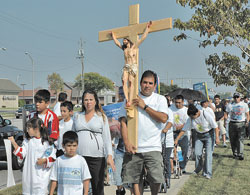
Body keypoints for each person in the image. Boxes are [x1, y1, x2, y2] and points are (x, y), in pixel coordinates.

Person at [121, 70, 168, 195]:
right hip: (134, 147)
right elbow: (123, 122)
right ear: (140, 83)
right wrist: (126, 142)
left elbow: (163, 118)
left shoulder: (160, 99)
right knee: (134, 179)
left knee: (157, 178)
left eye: (150, 83)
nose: (147, 85)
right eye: (145, 82)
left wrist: (144, 106)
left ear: (154, 85)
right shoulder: (130, 98)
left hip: (153, 147)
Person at [72, 89, 115, 195]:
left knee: (97, 187)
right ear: (82, 102)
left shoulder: (101, 117)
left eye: (91, 99)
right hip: (79, 157)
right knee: (79, 187)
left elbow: (107, 139)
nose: (88, 102)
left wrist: (109, 156)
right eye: (86, 100)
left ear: (96, 101)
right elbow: (72, 136)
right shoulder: (77, 116)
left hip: (97, 158)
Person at [8, 118, 56, 195]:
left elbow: (53, 158)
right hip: (29, 177)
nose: (27, 131)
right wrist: (14, 143)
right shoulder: (28, 141)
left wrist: (44, 161)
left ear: (36, 128)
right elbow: (21, 153)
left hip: (41, 177)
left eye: (29, 128)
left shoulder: (47, 142)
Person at [110, 21, 152, 107]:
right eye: (123, 40)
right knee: (123, 81)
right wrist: (113, 36)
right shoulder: (124, 49)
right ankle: (127, 99)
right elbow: (117, 43)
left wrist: (147, 28)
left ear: (128, 40)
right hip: (126, 66)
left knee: (130, 81)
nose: (124, 41)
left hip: (133, 66)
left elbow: (142, 38)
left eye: (125, 39)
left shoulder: (134, 47)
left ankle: (130, 97)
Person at [183, 104, 220, 179]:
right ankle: (198, 169)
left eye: (192, 117)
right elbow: (184, 129)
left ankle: (207, 173)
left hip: (209, 135)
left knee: (208, 155)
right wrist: (177, 139)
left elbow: (215, 127)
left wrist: (217, 138)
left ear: (196, 113)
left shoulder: (205, 114)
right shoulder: (190, 118)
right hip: (198, 136)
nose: (192, 118)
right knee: (197, 153)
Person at [225, 92, 249, 160]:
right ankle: (235, 153)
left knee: (240, 139)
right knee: (233, 139)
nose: (236, 98)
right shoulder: (230, 105)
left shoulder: (244, 105)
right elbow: (226, 113)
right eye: (235, 97)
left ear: (240, 98)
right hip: (232, 123)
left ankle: (240, 154)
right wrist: (226, 120)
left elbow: (247, 114)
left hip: (241, 123)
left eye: (237, 97)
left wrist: (247, 121)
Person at [170, 95, 189, 174]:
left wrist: (181, 127)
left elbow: (187, 123)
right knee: (172, 150)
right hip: (172, 132)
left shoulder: (186, 110)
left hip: (183, 132)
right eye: (176, 102)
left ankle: (182, 166)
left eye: (179, 103)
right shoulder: (170, 109)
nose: (177, 104)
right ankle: (173, 165)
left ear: (183, 102)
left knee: (184, 149)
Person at [161, 108, 174, 189]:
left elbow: (170, 122)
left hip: (167, 141)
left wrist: (165, 129)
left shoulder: (169, 111)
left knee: (166, 160)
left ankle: (167, 177)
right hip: (156, 141)